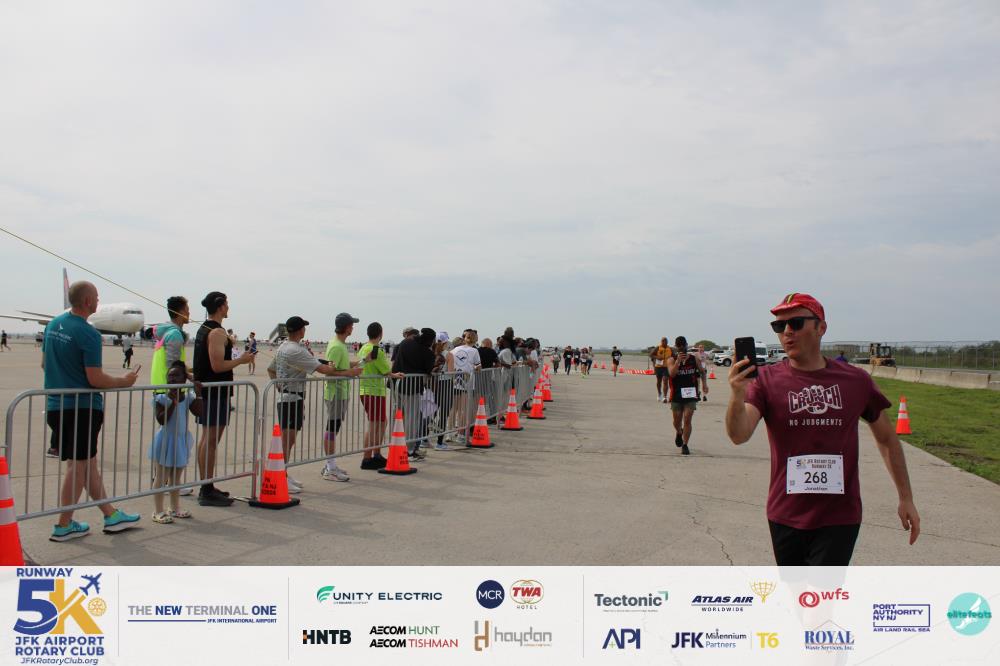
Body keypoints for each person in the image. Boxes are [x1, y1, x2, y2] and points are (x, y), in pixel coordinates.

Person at [725, 293, 920, 566]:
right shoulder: (766, 380)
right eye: (779, 326)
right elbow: (739, 435)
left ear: (821, 328)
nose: (787, 331)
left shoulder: (855, 381)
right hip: (785, 514)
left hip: (839, 518)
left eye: (796, 323)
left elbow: (887, 439)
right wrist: (737, 395)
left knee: (822, 593)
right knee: (795, 591)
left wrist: (906, 497)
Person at [43, 280, 141, 541]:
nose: (98, 301)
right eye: (96, 297)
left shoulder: (52, 325)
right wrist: (123, 381)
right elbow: (95, 378)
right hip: (81, 409)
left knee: (87, 465)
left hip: (56, 405)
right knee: (78, 467)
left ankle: (111, 515)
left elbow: (44, 364)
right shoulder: (89, 333)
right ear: (87, 301)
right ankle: (63, 525)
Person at [192, 291, 255, 507]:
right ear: (220, 307)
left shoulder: (206, 329)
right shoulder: (217, 332)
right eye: (226, 304)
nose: (228, 307)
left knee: (207, 439)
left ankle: (207, 485)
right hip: (215, 392)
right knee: (210, 440)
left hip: (209, 391)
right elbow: (217, 366)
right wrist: (242, 360)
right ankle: (206, 489)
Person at [150, 362, 202, 524]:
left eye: (177, 376)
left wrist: (198, 393)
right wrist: (172, 402)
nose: (172, 379)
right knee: (161, 477)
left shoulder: (187, 397)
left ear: (184, 379)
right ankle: (158, 510)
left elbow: (199, 412)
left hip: (180, 441)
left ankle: (174, 507)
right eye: (170, 376)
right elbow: (162, 420)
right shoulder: (161, 397)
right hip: (165, 441)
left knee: (176, 477)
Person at [321, 313, 364, 482]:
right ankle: (330, 467)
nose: (353, 327)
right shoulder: (337, 347)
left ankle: (330, 464)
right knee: (331, 429)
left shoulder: (339, 345)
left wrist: (362, 362)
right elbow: (329, 373)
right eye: (351, 325)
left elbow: (341, 366)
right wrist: (350, 373)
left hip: (341, 394)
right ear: (346, 327)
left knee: (334, 429)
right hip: (335, 394)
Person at [357, 322, 403, 469]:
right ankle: (367, 458)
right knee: (375, 424)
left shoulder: (363, 348)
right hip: (374, 391)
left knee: (381, 422)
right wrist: (394, 374)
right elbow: (385, 370)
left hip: (366, 390)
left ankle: (376, 454)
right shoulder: (376, 350)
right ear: (380, 333)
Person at [392, 327, 436, 457]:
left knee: (397, 415)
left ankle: (395, 444)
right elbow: (428, 371)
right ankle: (409, 449)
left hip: (396, 384)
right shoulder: (427, 353)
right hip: (412, 387)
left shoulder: (405, 343)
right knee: (412, 419)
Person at [667, 336, 708, 455]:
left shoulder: (694, 359)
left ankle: (685, 445)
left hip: (690, 392)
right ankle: (679, 432)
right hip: (676, 393)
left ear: (686, 345)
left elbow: (702, 372)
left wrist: (704, 384)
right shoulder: (671, 359)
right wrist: (678, 362)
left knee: (687, 419)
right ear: (676, 347)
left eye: (683, 345)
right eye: (679, 346)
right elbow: (672, 374)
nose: (681, 348)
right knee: (676, 421)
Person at [450, 331, 481, 444]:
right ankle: (460, 434)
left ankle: (449, 433)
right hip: (467, 383)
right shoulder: (474, 351)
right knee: (464, 410)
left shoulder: (455, 350)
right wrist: (476, 368)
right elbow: (478, 365)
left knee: (453, 409)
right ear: (475, 340)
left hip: (454, 381)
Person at [650, 337, 672, 402]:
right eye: (663, 341)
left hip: (666, 367)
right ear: (661, 342)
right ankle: (659, 393)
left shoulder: (670, 349)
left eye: (665, 341)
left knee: (665, 380)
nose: (664, 342)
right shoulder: (657, 348)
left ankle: (665, 397)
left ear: (667, 342)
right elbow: (651, 355)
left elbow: (674, 356)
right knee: (659, 381)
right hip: (658, 367)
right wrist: (657, 357)